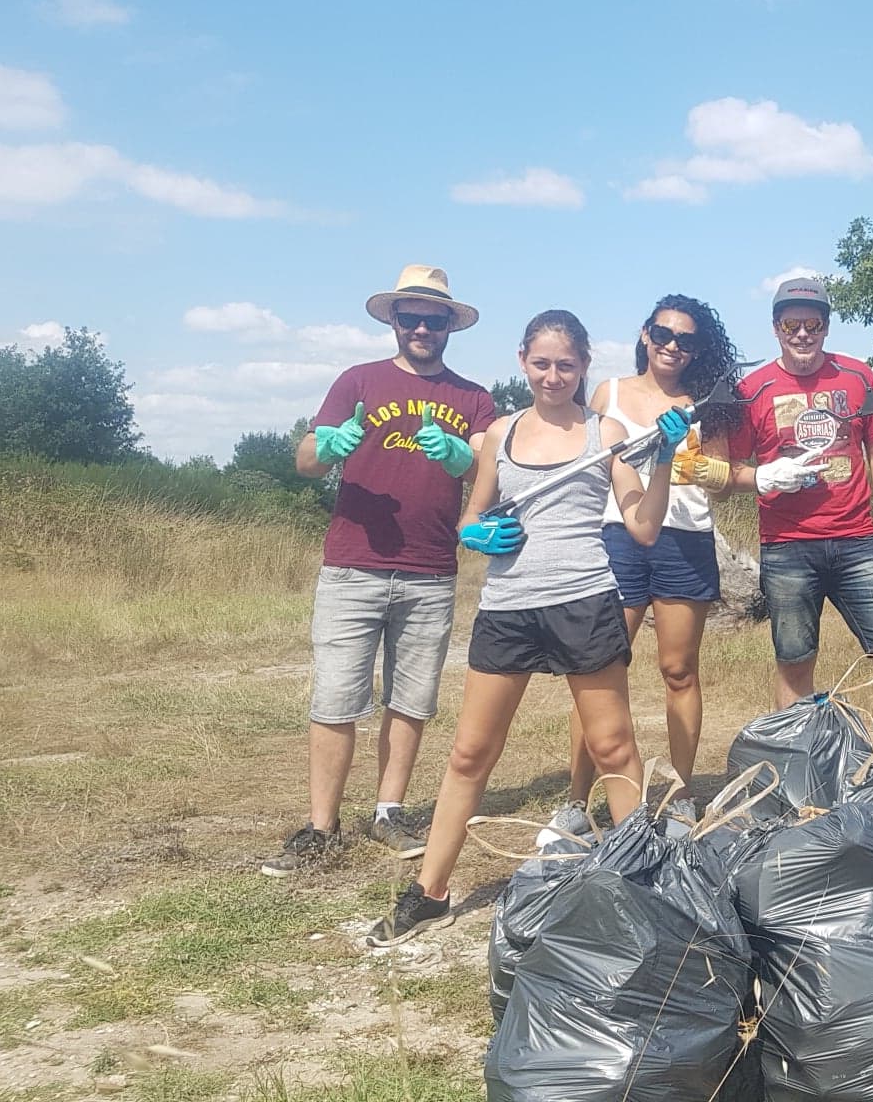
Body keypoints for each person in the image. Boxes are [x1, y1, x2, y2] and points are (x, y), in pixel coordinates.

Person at [365, 309, 687, 945]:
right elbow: (471, 516)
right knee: (469, 754)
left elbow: (644, 527)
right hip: (507, 607)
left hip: (584, 602)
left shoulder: (606, 432)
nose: (553, 376)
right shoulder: (500, 432)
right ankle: (430, 893)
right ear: (522, 361)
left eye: (566, 365)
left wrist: (663, 461)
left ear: (584, 366)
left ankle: (643, 889)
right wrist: (475, 534)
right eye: (541, 364)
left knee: (613, 749)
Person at [262, 265, 497, 877]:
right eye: (410, 317)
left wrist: (462, 458)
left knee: (412, 699)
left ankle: (388, 813)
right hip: (353, 566)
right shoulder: (357, 380)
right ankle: (321, 828)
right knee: (336, 699)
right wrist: (328, 445)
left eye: (433, 319)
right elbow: (306, 461)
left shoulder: (474, 398)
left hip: (431, 570)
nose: (421, 328)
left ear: (449, 326)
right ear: (393, 320)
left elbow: (489, 470)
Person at [555, 295, 742, 832]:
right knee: (599, 671)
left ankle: (680, 794)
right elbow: (584, 468)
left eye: (686, 340)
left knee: (679, 671)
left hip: (685, 540)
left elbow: (723, 482)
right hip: (618, 536)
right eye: (663, 334)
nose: (672, 346)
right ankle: (577, 800)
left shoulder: (707, 404)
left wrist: (700, 466)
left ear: (698, 349)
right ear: (645, 334)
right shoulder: (608, 393)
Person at [731, 277, 873, 729]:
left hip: (858, 542)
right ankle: (795, 766)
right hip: (787, 546)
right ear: (776, 328)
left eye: (813, 324)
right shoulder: (753, 389)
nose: (803, 334)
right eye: (792, 325)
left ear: (826, 326)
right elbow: (728, 470)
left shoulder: (857, 376)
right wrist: (764, 476)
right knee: (794, 661)